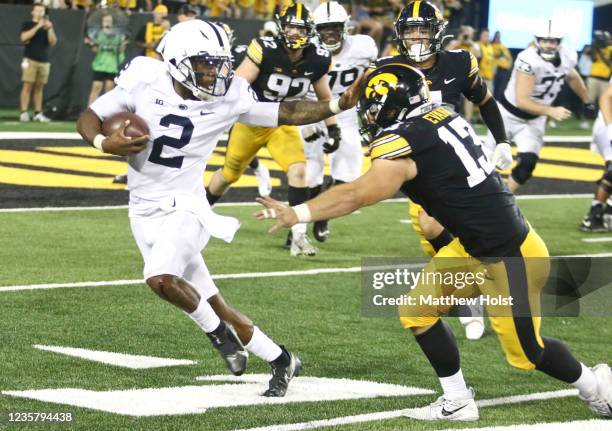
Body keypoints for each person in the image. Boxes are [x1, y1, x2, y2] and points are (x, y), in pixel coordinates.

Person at [255, 63, 612, 421]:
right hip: (475, 247)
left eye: (373, 106)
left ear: (391, 106)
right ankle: (457, 400)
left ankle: (596, 386)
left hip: (508, 256)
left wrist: (298, 213)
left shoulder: (405, 140)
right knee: (417, 311)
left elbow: (359, 194)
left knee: (526, 352)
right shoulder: (440, 115)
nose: (368, 114)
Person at [77, 19, 361, 397]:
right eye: (205, 63)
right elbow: (90, 115)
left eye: (218, 62)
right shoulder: (146, 77)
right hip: (143, 209)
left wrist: (339, 104)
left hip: (188, 205)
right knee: (215, 304)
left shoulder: (232, 96)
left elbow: (288, 111)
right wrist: (101, 142)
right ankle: (281, 359)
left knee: (159, 277)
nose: (215, 72)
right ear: (177, 61)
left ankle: (218, 337)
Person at [376, 0, 513, 340]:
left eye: (424, 29)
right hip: (419, 160)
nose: (418, 37)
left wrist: (502, 141)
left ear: (437, 32)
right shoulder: (387, 68)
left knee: (438, 223)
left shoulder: (459, 61)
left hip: (460, 158)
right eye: (411, 30)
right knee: (432, 233)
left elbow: (484, 100)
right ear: (400, 34)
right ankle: (474, 287)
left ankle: (475, 296)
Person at [206, 2, 342, 257]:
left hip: (282, 123)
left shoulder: (318, 57)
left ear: (309, 32)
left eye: (300, 29)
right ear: (281, 28)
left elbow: (325, 98)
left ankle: (298, 237)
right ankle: (200, 213)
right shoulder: (265, 49)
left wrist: (334, 129)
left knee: (298, 171)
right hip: (252, 121)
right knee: (228, 175)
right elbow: (238, 85)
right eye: (290, 28)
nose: (294, 34)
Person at [485, 19, 596, 194]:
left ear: (559, 42)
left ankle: (503, 200)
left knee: (527, 164)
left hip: (534, 120)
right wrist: (551, 111)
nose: (548, 45)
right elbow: (522, 101)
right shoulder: (528, 59)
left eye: (552, 41)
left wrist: (587, 100)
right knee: (486, 164)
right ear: (537, 40)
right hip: (508, 116)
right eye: (544, 40)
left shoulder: (568, 55)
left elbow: (572, 76)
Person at [303, 1, 378, 242]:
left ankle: (321, 214)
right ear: (315, 30)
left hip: (346, 116)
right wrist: (305, 120)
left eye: (334, 27)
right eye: (324, 28)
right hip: (313, 112)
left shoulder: (364, 47)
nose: (330, 33)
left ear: (345, 27)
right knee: (311, 171)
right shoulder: (306, 50)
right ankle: (301, 223)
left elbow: (374, 76)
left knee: (348, 174)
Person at [218, 21, 273, 198]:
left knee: (233, 152)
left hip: (238, 105)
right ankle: (258, 168)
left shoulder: (242, 52)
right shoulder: (206, 54)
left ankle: (258, 170)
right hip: (214, 103)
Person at [580, 79, 612, 232]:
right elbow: (606, 97)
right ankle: (593, 216)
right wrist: (611, 127)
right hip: (607, 124)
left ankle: (607, 211)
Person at [19, 2, 57, 123]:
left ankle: (37, 113)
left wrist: (50, 28)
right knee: (27, 86)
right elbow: (24, 38)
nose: (40, 13)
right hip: (30, 59)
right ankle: (24, 113)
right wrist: (38, 26)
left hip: (44, 61)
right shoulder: (27, 24)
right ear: (33, 12)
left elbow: (53, 42)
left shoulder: (47, 26)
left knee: (39, 88)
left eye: (42, 11)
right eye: (38, 10)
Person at [85, 14, 127, 106]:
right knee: (96, 87)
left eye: (109, 20)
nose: (107, 22)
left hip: (112, 66)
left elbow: (121, 51)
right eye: (105, 20)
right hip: (99, 65)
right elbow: (95, 50)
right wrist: (92, 44)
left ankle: (107, 115)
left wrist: (122, 45)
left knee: (109, 90)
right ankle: (89, 112)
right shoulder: (98, 34)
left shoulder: (118, 35)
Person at [492, 31, 512, 102]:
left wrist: (508, 66)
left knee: (500, 88)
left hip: (503, 70)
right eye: (497, 36)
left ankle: (498, 103)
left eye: (499, 36)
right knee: (493, 88)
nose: (498, 37)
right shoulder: (491, 46)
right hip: (495, 69)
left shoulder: (503, 47)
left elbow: (509, 58)